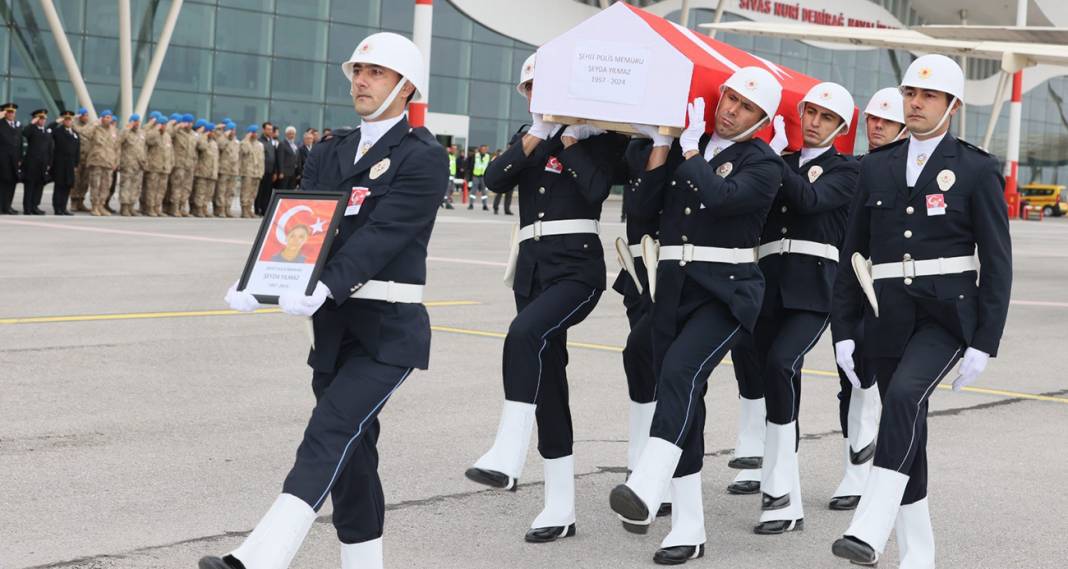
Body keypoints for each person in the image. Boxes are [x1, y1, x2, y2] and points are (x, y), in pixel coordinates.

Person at [202, 31, 447, 569]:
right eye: (357, 70)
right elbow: (302, 225)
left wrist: (325, 284)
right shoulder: (329, 150)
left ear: (406, 87)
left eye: (375, 72)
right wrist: (262, 281)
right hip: (333, 331)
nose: (360, 79)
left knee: (329, 431)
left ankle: (263, 554)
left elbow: (386, 234)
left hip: (389, 332)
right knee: (354, 457)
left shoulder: (423, 156)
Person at [830, 54, 1012, 567]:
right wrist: (844, 328)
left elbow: (997, 262)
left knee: (905, 398)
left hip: (946, 315)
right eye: (910, 92)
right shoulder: (877, 166)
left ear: (952, 106)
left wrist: (984, 339)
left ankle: (869, 527)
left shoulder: (975, 168)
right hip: (886, 315)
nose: (915, 102)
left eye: (929, 96)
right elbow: (853, 253)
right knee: (911, 432)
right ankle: (918, 556)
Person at [608, 67, 784, 565]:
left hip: (727, 294)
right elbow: (641, 206)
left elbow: (724, 198)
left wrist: (688, 152)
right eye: (728, 98)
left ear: (762, 119)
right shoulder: (690, 146)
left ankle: (647, 479)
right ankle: (688, 526)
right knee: (674, 385)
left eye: (744, 106)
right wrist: (663, 145)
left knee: (681, 371)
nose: (729, 109)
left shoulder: (763, 163)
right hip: (674, 289)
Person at [466, 53, 628, 545]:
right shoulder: (528, 136)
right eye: (532, 89)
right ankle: (559, 508)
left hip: (576, 271)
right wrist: (539, 133)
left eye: (547, 87)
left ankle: (507, 453)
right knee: (550, 379)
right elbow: (494, 180)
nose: (539, 96)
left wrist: (572, 137)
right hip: (531, 272)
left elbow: (600, 188)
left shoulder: (601, 139)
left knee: (524, 335)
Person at [728, 83, 860, 536]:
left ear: (840, 127)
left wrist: (769, 159)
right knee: (768, 373)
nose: (814, 122)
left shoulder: (846, 171)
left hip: (813, 290)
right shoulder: (778, 162)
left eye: (826, 117)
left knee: (783, 364)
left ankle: (780, 486)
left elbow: (810, 200)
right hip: (767, 285)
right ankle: (784, 493)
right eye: (810, 113)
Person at [829, 86, 906, 512]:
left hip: (897, 289)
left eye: (885, 120)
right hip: (855, 284)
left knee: (894, 385)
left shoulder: (910, 170)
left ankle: (877, 471)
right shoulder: (853, 168)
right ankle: (856, 467)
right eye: (872, 119)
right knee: (852, 377)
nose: (875, 126)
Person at [85, 110, 121, 217]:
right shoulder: (95, 129)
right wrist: (95, 123)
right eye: (106, 117)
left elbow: (117, 147)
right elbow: (85, 133)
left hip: (109, 162)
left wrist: (116, 161)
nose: (108, 119)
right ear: (101, 118)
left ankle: (101, 205)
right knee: (95, 185)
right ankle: (94, 207)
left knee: (106, 186)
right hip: (97, 161)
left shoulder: (114, 131)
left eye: (110, 117)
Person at [20, 109, 54, 215]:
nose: (43, 120)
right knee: (30, 186)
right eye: (40, 118)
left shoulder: (46, 131)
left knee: (39, 186)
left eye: (44, 118)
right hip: (31, 163)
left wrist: (49, 163)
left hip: (42, 164)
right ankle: (27, 207)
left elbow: (50, 148)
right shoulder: (32, 129)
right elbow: (24, 133)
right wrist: (32, 123)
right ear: (36, 119)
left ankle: (35, 206)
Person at [142, 112, 174, 217]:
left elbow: (170, 151)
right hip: (154, 166)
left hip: (164, 167)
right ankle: (150, 208)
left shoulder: (167, 136)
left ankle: (157, 207)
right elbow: (148, 141)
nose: (164, 126)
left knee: (161, 190)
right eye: (162, 124)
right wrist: (156, 129)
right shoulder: (153, 133)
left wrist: (171, 163)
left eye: (165, 124)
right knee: (152, 189)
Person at [50, 110, 80, 216]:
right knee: (59, 186)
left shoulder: (75, 133)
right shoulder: (58, 131)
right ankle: (57, 208)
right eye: (66, 119)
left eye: (70, 119)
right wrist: (57, 121)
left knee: (68, 186)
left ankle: (63, 207)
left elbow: (77, 150)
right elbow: (49, 129)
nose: (68, 121)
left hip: (70, 164)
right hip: (60, 163)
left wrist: (76, 164)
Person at [117, 114, 147, 216]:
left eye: (138, 121)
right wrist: (126, 129)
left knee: (136, 186)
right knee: (126, 185)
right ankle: (124, 207)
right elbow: (118, 142)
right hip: (128, 163)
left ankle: (131, 206)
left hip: (139, 164)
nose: (137, 123)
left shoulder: (142, 133)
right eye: (135, 121)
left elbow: (144, 148)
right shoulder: (125, 132)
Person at [167, 114, 196, 217]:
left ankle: (182, 208)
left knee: (187, 188)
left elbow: (194, 151)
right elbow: (168, 134)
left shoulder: (193, 134)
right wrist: (177, 125)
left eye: (191, 122)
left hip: (189, 165)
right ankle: (174, 208)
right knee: (177, 187)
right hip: (179, 164)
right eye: (188, 122)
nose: (190, 124)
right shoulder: (177, 132)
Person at [191, 120, 219, 218]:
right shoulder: (202, 140)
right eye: (212, 131)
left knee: (209, 193)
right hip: (202, 171)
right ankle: (198, 209)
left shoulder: (214, 143)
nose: (214, 133)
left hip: (212, 172)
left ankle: (204, 208)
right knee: (200, 192)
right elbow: (201, 147)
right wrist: (204, 136)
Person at [69, 107, 94, 213]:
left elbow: (88, 134)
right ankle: (74, 202)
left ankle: (81, 201)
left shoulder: (90, 127)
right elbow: (69, 123)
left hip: (87, 158)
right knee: (75, 181)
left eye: (87, 115)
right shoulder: (73, 126)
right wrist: (75, 118)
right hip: (77, 159)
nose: (87, 117)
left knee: (85, 182)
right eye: (85, 115)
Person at [239, 125, 265, 219]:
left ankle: (249, 209)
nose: (256, 134)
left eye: (256, 132)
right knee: (246, 191)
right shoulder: (244, 143)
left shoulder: (259, 145)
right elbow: (245, 151)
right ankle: (244, 210)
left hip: (257, 172)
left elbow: (262, 160)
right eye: (253, 132)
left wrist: (261, 172)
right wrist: (247, 139)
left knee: (253, 193)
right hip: (247, 172)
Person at [215, 121, 241, 217]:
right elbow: (220, 146)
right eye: (231, 130)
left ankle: (227, 209)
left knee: (231, 191)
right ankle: (220, 209)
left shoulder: (236, 141)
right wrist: (225, 136)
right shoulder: (222, 139)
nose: (233, 132)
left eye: (234, 130)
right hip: (224, 169)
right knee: (221, 191)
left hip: (233, 170)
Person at [0, 102, 21, 214]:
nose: (12, 114)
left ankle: (8, 205)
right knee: (2, 184)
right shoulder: (1, 123)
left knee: (11, 184)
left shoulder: (17, 125)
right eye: (9, 112)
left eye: (13, 112)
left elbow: (20, 143)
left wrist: (20, 159)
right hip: (2, 160)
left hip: (14, 160)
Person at [256, 122, 278, 215]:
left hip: (270, 170)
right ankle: (258, 209)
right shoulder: (260, 141)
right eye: (268, 129)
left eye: (271, 129)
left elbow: (274, 157)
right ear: (264, 129)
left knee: (267, 191)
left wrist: (275, 171)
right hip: (262, 170)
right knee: (260, 191)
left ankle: (265, 209)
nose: (269, 131)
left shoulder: (271, 141)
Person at [467, 144, 491, 211]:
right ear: (480, 149)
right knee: (473, 191)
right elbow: (471, 166)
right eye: (483, 149)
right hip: (476, 175)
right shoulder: (475, 155)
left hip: (484, 176)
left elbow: (489, 166)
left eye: (485, 149)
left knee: (484, 192)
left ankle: (485, 205)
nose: (484, 150)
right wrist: (470, 177)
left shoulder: (488, 156)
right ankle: (471, 204)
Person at [276, 125, 300, 189]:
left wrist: (298, 172)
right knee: (283, 189)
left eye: (293, 134)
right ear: (286, 134)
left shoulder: (296, 145)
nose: (292, 135)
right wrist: (281, 172)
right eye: (290, 134)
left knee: (291, 190)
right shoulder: (282, 144)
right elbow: (280, 159)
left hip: (293, 173)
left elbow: (297, 159)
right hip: (285, 173)